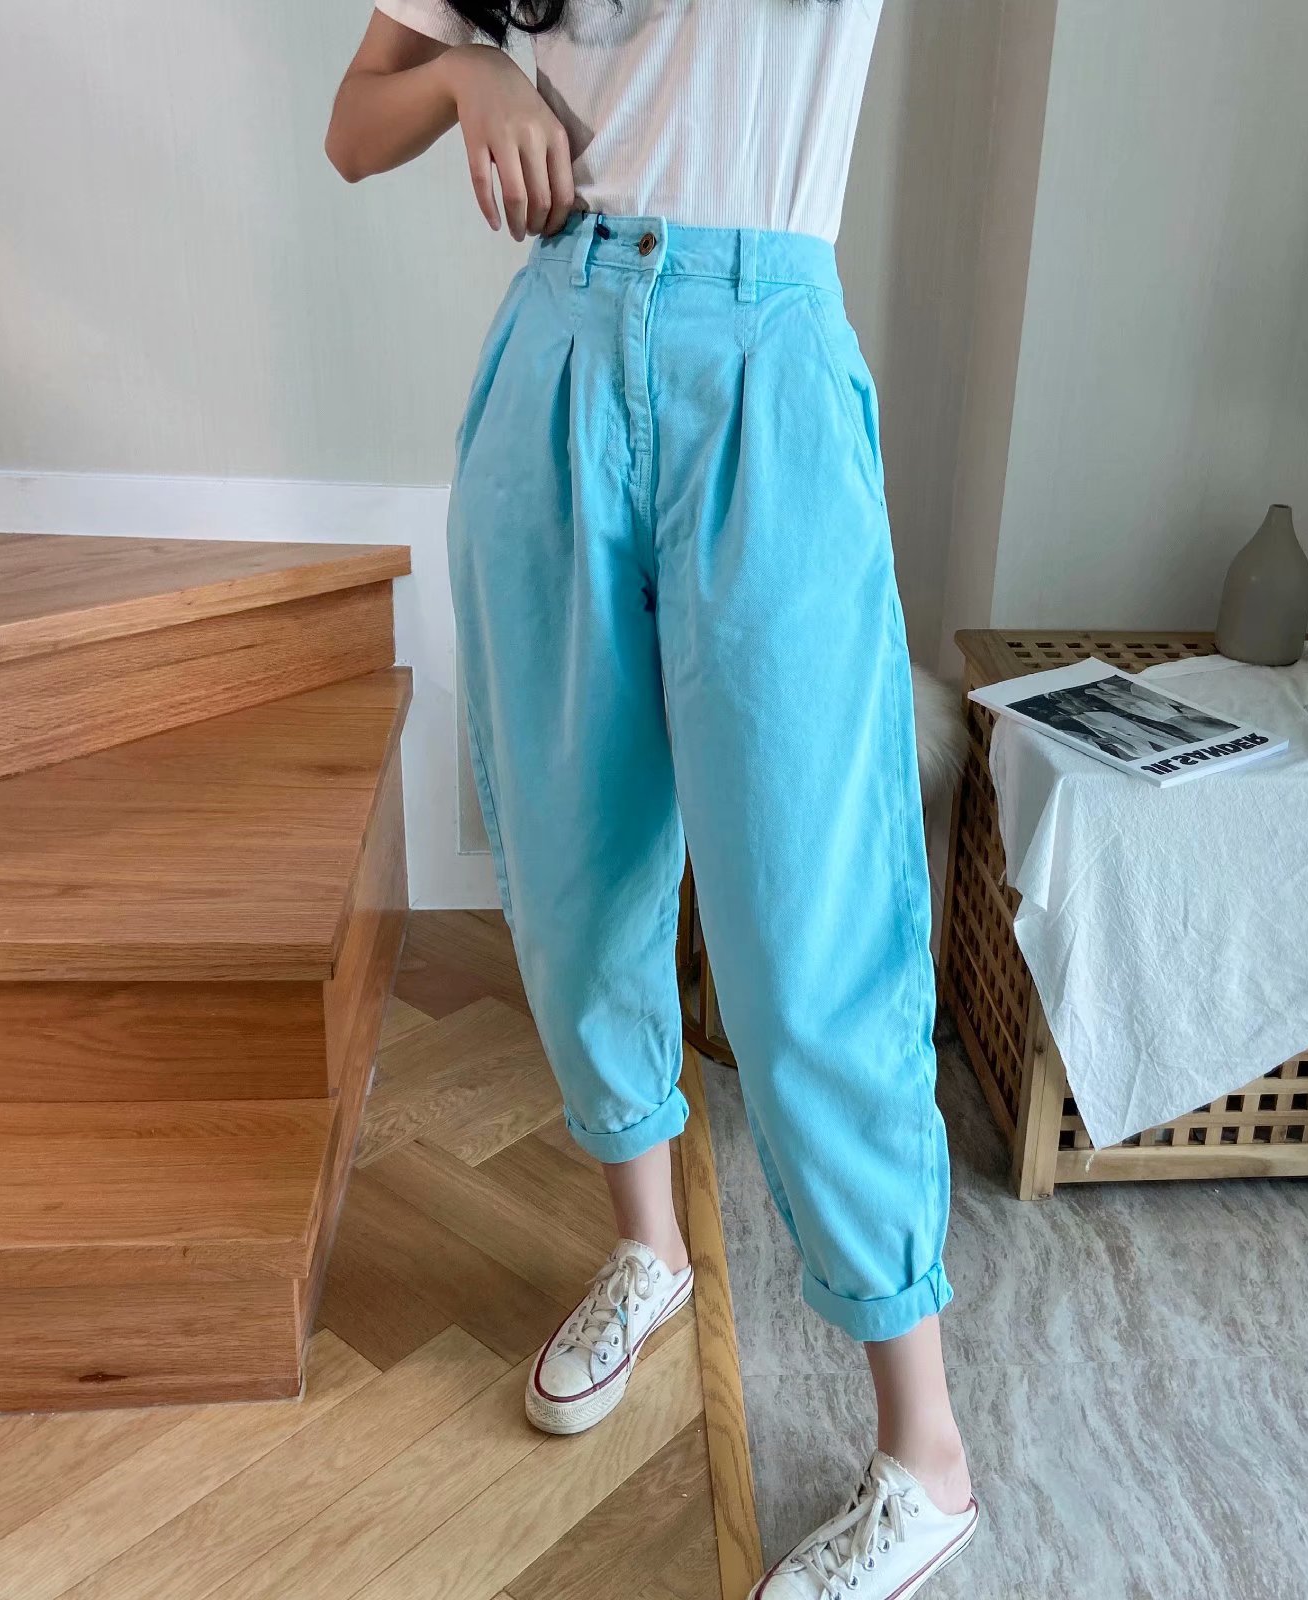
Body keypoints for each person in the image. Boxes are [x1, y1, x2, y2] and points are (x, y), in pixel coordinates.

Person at [326, 4, 977, 1597]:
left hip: (766, 364)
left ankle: (928, 1454)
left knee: (807, 933)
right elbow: (355, 124)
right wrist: (472, 72)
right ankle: (650, 1247)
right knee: (572, 880)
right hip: (556, 359)